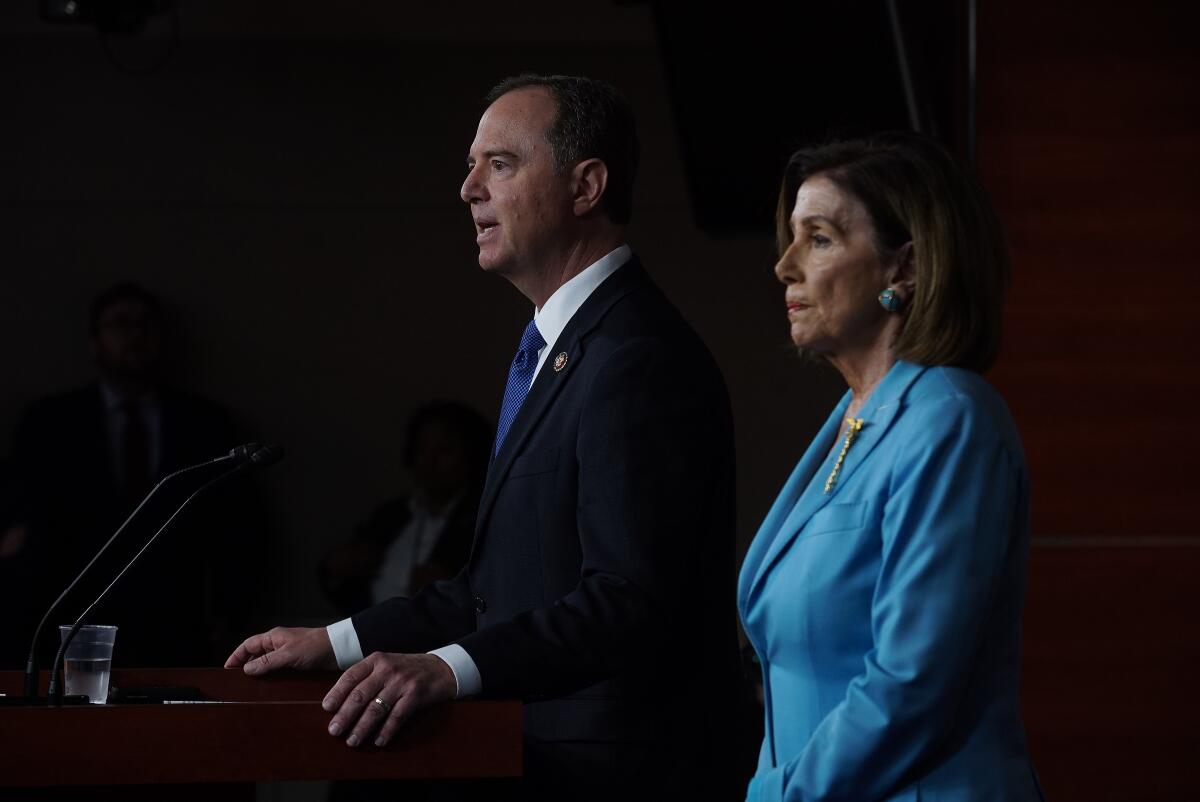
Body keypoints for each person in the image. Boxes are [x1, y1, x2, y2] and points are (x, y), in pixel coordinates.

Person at [226, 74, 741, 800]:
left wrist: (447, 669)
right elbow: (490, 592)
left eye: (499, 164)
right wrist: (334, 642)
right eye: (471, 166)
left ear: (585, 186)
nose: (469, 188)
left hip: (622, 774)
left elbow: (630, 597)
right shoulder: (558, 348)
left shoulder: (637, 356)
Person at [737, 132, 1045, 801]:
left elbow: (911, 683)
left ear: (903, 268)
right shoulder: (854, 418)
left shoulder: (951, 421)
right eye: (791, 238)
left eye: (817, 238)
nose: (785, 266)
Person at [7, 281, 267, 669]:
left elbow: (235, 525)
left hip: (176, 613)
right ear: (95, 342)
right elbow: (25, 521)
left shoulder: (203, 421)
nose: (135, 335)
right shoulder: (50, 422)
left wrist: (230, 613)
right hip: (70, 614)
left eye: (146, 325)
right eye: (120, 324)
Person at [318, 400, 490, 617]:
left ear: (471, 455)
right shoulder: (391, 516)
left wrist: (451, 589)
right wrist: (336, 567)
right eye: (421, 449)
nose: (429, 460)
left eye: (444, 450)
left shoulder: (481, 518)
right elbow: (343, 586)